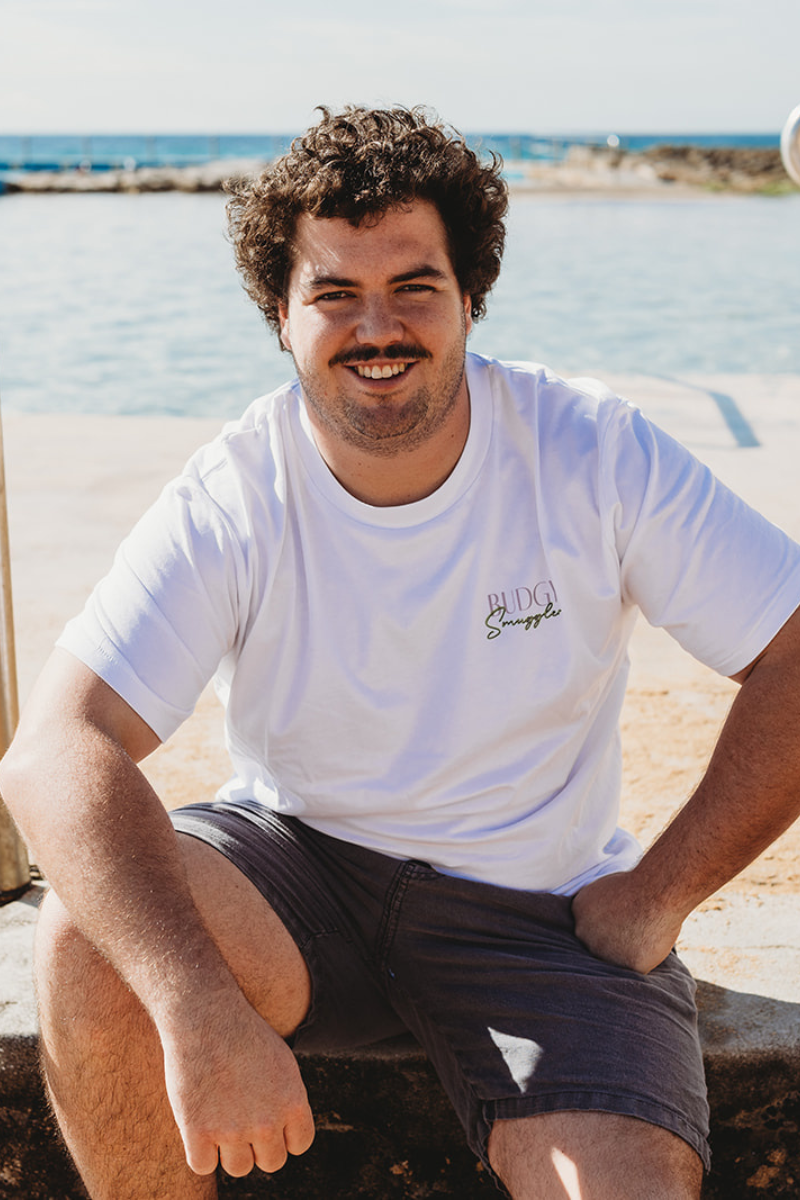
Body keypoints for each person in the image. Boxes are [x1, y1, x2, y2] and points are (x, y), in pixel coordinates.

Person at [2, 105, 800, 1200]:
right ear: (279, 318)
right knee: (88, 942)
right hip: (296, 873)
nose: (375, 325)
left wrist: (660, 890)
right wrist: (193, 1005)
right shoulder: (239, 485)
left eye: (413, 286)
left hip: (541, 915)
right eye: (332, 292)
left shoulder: (589, 451)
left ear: (469, 299)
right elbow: (54, 747)